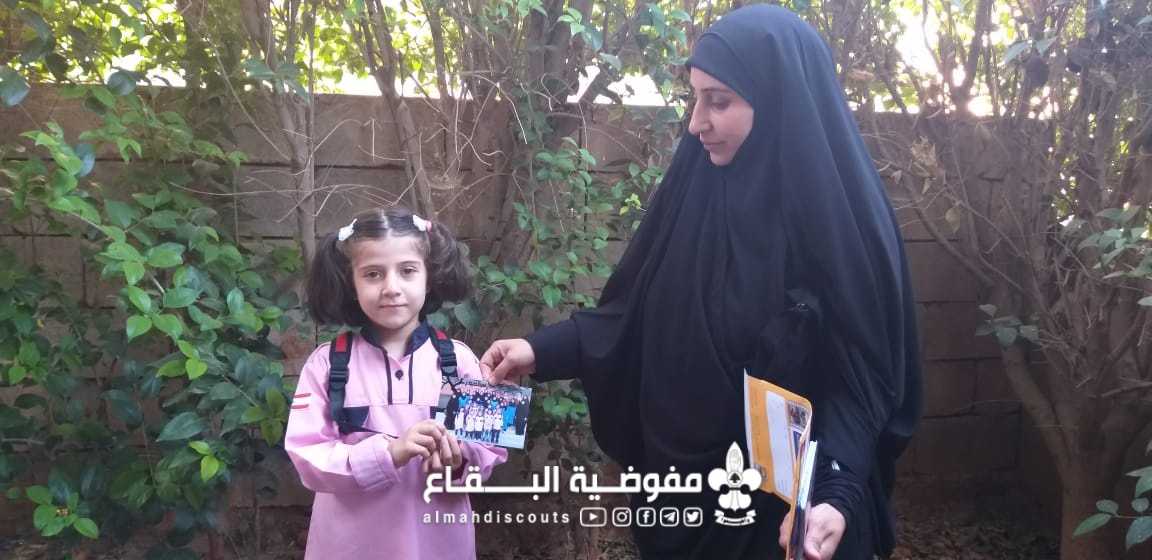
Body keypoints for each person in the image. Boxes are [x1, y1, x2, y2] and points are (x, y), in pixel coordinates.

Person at [480, 5, 921, 560]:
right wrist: (538, 351)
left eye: (719, 101)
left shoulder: (844, 225)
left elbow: (865, 374)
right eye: (695, 98)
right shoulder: (694, 194)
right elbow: (632, 317)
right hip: (681, 502)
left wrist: (834, 492)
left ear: (778, 100)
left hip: (789, 517)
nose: (696, 123)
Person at [286, 207, 507, 559]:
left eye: (407, 271)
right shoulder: (326, 364)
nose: (391, 288)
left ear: (429, 278)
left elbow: (492, 453)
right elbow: (307, 457)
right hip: (348, 548)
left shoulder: (462, 359)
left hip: (438, 546)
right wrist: (387, 454)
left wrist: (459, 461)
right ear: (352, 283)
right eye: (373, 274)